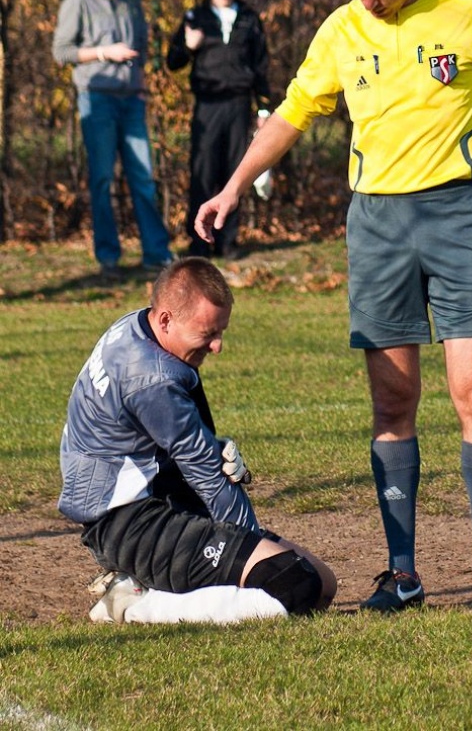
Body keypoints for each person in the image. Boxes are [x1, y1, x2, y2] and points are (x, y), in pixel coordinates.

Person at [195, 0, 472, 612]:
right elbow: (292, 112)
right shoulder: (340, 29)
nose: (366, 1)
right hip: (377, 226)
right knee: (393, 400)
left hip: (460, 217)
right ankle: (403, 575)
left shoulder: (468, 10)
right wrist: (233, 186)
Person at [58, 256, 337, 625]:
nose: (218, 346)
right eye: (208, 334)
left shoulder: (137, 328)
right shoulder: (154, 379)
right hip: (131, 527)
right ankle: (135, 604)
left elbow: (164, 442)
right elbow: (206, 475)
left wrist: (212, 444)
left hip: (143, 506)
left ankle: (144, 589)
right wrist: (246, 540)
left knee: (323, 582)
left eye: (221, 332)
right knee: (294, 584)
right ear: (167, 320)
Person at [53, 0, 173, 275]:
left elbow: (143, 38)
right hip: (97, 99)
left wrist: (140, 76)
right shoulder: (76, 2)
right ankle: (108, 257)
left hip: (131, 99)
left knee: (143, 176)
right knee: (103, 178)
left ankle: (156, 253)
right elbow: (61, 52)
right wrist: (105, 53)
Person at [167, 0, 271, 261]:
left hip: (239, 104)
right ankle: (199, 242)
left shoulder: (250, 19)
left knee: (235, 172)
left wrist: (264, 110)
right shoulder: (194, 17)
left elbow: (261, 67)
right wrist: (188, 46)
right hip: (207, 105)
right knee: (203, 170)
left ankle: (228, 241)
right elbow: (172, 62)